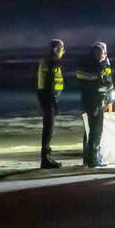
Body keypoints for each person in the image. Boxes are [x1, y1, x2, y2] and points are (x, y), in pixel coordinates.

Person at [75, 42, 113, 167]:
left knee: (90, 130)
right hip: (94, 102)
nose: (104, 54)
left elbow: (107, 81)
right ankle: (93, 159)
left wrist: (107, 98)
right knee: (95, 131)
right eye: (102, 52)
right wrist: (104, 87)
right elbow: (97, 84)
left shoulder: (102, 64)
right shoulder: (93, 66)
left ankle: (89, 158)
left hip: (95, 101)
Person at [36, 39, 66, 169]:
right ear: (56, 49)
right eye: (62, 49)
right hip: (48, 99)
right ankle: (45, 159)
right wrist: (54, 104)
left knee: (48, 129)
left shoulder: (48, 61)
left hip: (46, 98)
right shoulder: (51, 63)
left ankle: (46, 158)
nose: (63, 51)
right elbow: (49, 85)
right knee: (48, 130)